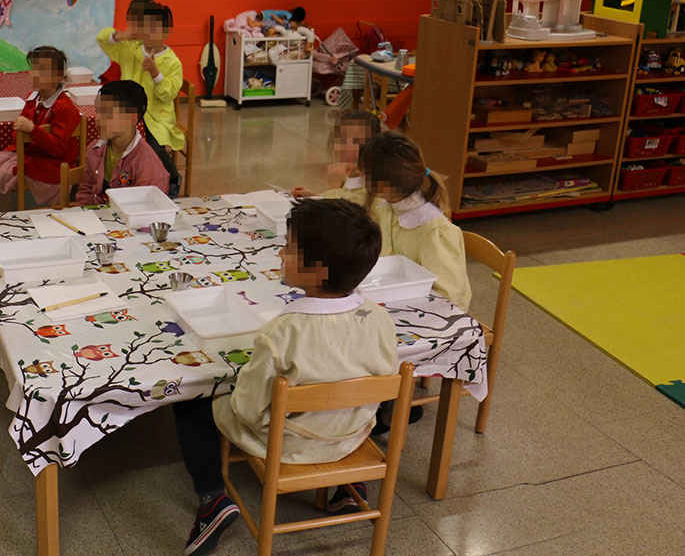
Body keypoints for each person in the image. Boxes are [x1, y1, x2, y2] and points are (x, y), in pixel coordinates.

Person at [172, 199, 396, 555]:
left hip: (289, 445)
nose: (279, 253)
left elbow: (248, 409)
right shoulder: (380, 318)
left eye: (289, 248)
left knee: (190, 403)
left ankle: (212, 499)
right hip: (352, 434)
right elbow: (384, 380)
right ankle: (349, 484)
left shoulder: (281, 332)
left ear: (317, 271)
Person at [360, 130, 472, 310]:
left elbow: (448, 296)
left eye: (364, 173)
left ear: (384, 185)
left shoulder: (434, 231)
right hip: (397, 299)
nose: (360, 177)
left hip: (435, 314)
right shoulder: (388, 208)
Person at [0, 46, 78, 211]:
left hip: (52, 164)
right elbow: (17, 134)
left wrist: (32, 130)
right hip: (28, 154)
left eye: (42, 70)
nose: (35, 74)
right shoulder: (32, 98)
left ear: (59, 76)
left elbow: (59, 149)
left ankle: (7, 219)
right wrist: (24, 133)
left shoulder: (64, 108)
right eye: (34, 69)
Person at [96, 0, 184, 193]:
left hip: (155, 116)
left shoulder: (172, 62)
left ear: (166, 32)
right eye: (147, 27)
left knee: (153, 146)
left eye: (156, 28)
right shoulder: (131, 50)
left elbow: (167, 94)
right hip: (127, 111)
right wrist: (118, 36)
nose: (150, 33)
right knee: (109, 137)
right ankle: (112, 178)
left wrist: (155, 73)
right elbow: (102, 39)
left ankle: (172, 178)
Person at [75, 80, 169, 206]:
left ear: (132, 118)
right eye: (98, 112)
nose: (98, 119)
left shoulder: (147, 164)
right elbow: (86, 190)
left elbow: (145, 209)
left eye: (108, 114)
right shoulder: (95, 149)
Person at [293, 111, 382, 201]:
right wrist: (315, 197)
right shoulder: (351, 174)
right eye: (341, 140)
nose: (347, 147)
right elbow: (345, 198)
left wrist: (333, 187)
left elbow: (342, 208)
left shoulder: (369, 184)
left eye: (356, 142)